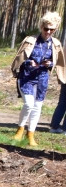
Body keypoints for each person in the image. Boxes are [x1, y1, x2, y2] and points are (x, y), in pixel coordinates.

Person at [10, 11, 65, 146]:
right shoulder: (31, 40)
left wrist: (50, 64)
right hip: (26, 77)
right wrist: (29, 63)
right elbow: (19, 59)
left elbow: (58, 62)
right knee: (28, 104)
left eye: (52, 30)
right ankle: (20, 129)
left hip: (42, 78)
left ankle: (31, 134)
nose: (48, 32)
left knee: (37, 107)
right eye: (46, 29)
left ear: (55, 30)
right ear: (41, 27)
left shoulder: (55, 44)